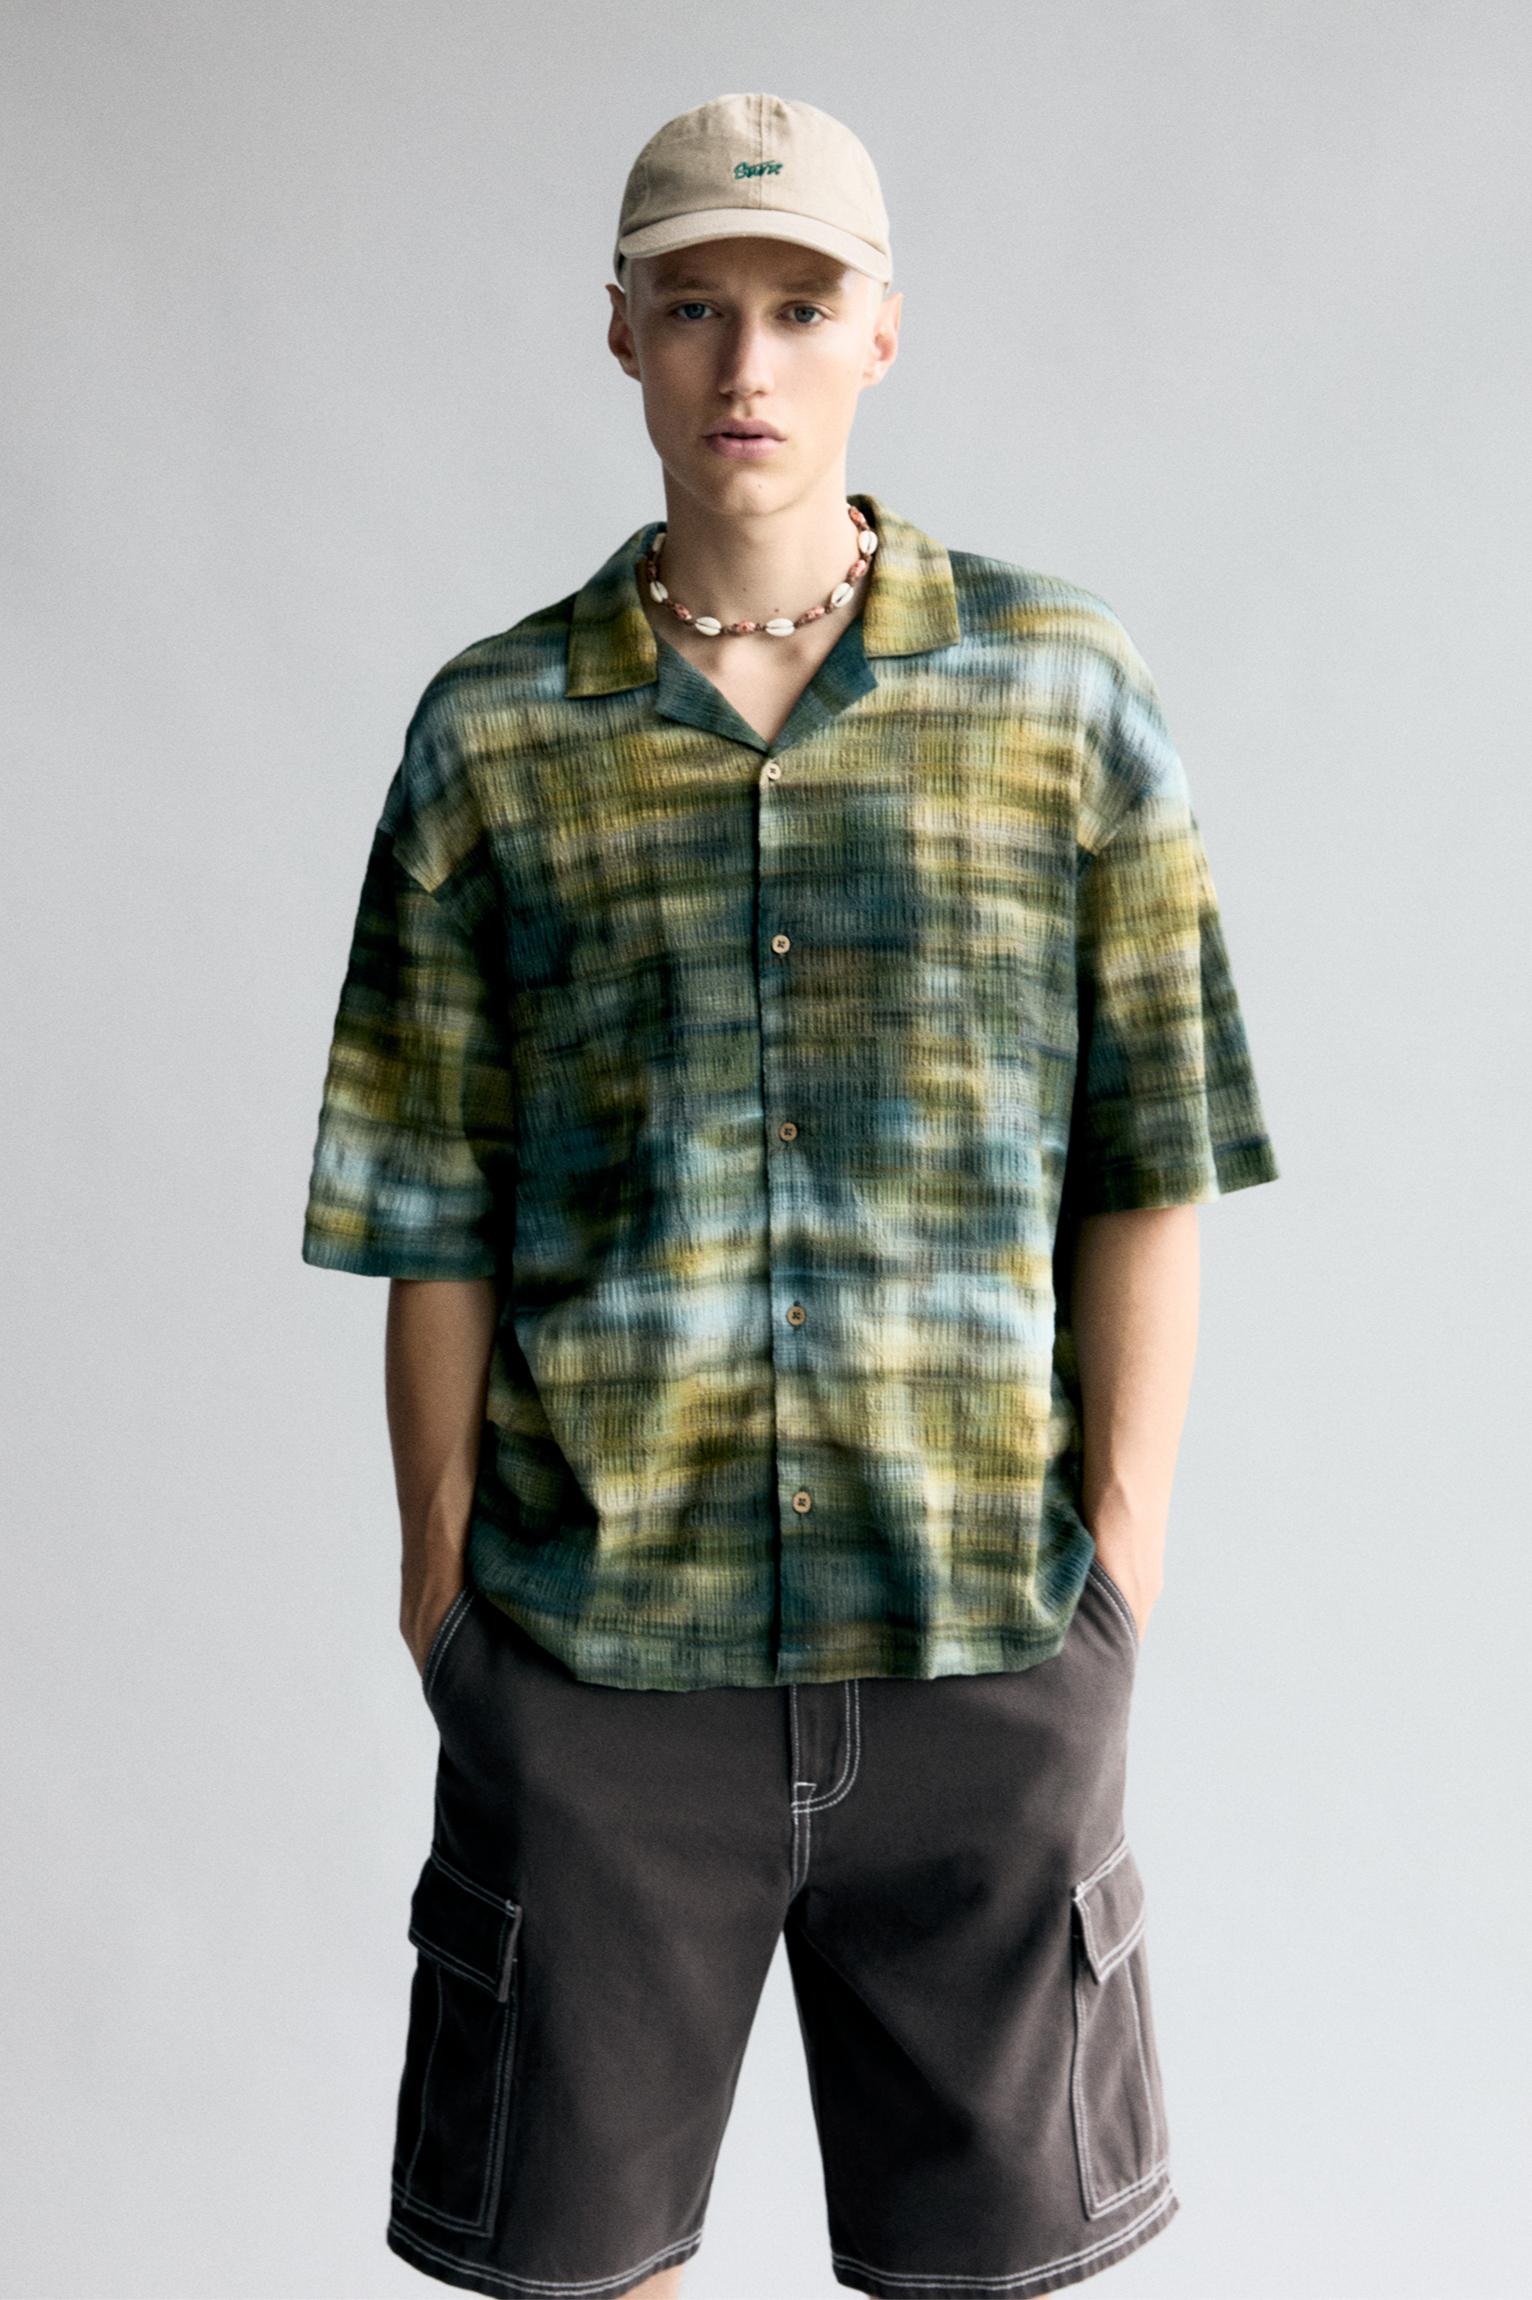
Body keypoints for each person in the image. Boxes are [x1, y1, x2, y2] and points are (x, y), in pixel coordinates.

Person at [300, 89, 1280, 2300]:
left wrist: (1116, 1578)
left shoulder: (1061, 696)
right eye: (694, 309)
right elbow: (429, 1200)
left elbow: (1153, 1154)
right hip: (598, 1658)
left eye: (800, 307)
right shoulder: (492, 737)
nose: (745, 363)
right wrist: (448, 1593)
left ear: (883, 333)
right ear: (621, 334)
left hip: (979, 1645)